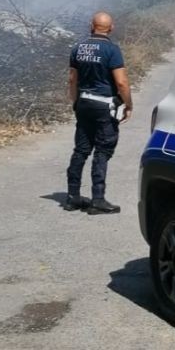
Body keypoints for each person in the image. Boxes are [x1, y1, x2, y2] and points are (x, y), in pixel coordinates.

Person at [64, 11, 132, 213]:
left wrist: (76, 102)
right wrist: (129, 104)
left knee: (81, 150)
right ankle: (98, 200)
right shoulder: (112, 50)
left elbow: (72, 79)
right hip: (103, 106)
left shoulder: (78, 47)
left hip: (83, 103)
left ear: (90, 26)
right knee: (103, 150)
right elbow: (121, 81)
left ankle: (72, 197)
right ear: (111, 28)